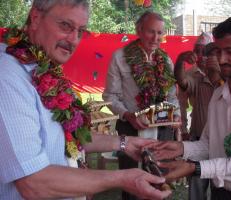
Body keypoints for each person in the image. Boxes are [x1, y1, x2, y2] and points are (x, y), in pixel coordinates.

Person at [0, 1, 172, 199]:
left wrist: (125, 143)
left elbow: (69, 137)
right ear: (36, 18)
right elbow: (33, 182)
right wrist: (121, 179)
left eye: (81, 31)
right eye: (65, 25)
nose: (73, 39)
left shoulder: (45, 69)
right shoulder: (8, 74)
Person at [147, 15, 231, 200]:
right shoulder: (219, 95)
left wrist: (195, 167)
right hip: (219, 192)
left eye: (230, 51)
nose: (221, 59)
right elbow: (210, 145)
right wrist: (181, 148)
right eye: (218, 51)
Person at [102, 10, 180, 200]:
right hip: (130, 129)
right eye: (150, 31)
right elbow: (110, 96)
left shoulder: (166, 60)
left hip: (162, 131)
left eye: (160, 33)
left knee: (159, 180)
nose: (156, 37)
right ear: (139, 30)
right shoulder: (120, 57)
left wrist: (176, 114)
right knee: (130, 186)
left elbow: (172, 96)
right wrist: (128, 115)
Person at [175, 33, 222, 200]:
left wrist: (219, 73)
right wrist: (183, 129)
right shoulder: (194, 76)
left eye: (208, 52)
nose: (203, 56)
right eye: (199, 51)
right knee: (196, 186)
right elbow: (181, 100)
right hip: (197, 137)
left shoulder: (228, 78)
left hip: (222, 142)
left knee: (220, 186)